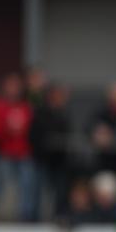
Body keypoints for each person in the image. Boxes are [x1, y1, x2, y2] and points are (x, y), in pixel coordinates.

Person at [0, 73, 36, 221]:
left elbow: (32, 131)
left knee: (27, 184)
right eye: (11, 85)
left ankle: (26, 217)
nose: (13, 89)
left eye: (16, 86)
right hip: (3, 153)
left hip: (23, 154)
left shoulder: (25, 107)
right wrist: (6, 130)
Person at [30, 83, 72, 219]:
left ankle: (57, 216)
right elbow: (35, 135)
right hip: (42, 159)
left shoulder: (64, 114)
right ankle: (34, 218)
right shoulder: (41, 112)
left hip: (59, 161)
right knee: (38, 191)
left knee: (60, 190)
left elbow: (66, 136)